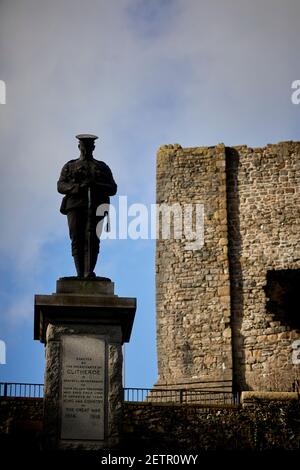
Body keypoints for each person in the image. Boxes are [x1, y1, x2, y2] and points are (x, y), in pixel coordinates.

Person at [57, 134, 117, 278]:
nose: (86, 150)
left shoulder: (102, 167)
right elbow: (60, 186)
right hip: (75, 205)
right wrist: (77, 187)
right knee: (77, 237)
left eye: (89, 147)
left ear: (93, 148)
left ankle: (88, 272)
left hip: (96, 206)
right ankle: (80, 274)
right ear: (79, 147)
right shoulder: (70, 166)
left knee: (93, 238)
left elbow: (113, 188)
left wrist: (95, 185)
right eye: (83, 147)